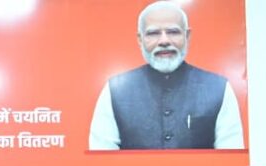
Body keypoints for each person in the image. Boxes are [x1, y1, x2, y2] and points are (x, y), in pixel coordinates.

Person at [88, 1, 244, 150]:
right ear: (140, 40)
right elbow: (102, 160)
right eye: (153, 33)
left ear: (187, 36)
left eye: (173, 32)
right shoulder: (115, 90)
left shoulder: (219, 89)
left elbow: (231, 159)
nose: (164, 41)